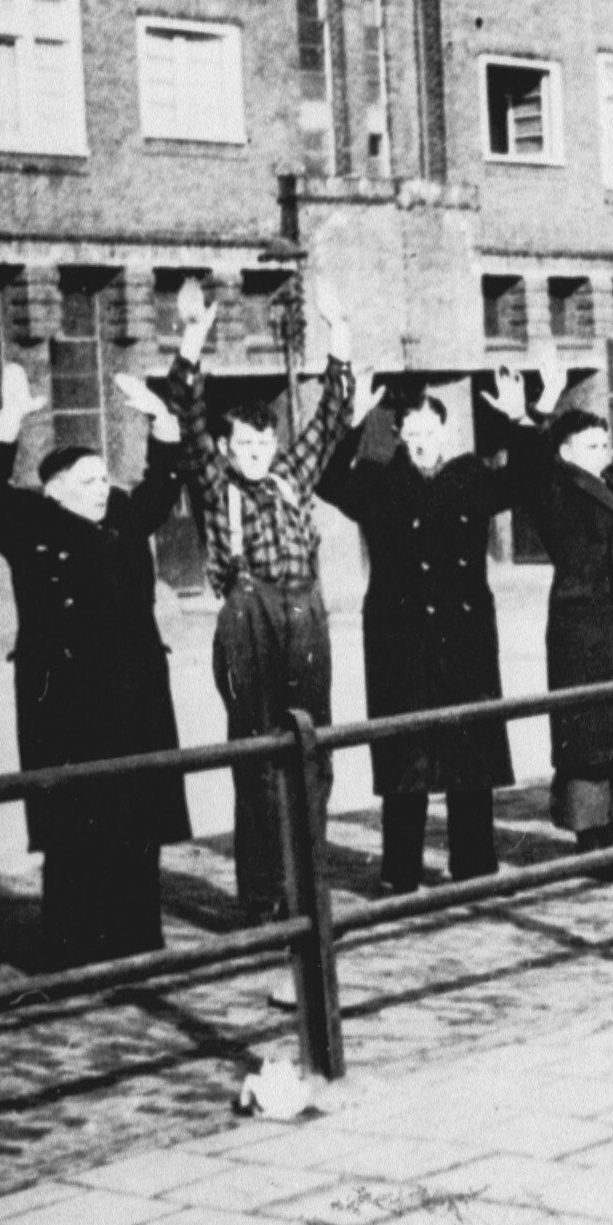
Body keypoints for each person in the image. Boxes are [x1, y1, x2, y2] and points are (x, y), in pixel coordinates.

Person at [0, 362, 192, 967]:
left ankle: (139, 945)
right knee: (75, 832)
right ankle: (73, 949)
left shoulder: (122, 519)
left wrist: (161, 418)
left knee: (137, 825)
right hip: (64, 703)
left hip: (133, 697)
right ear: (56, 487)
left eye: (104, 479)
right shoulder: (28, 525)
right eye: (89, 480)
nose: (102, 488)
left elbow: (164, 483)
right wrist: (7, 424)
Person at [164, 275, 354, 921]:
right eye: (242, 444)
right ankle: (265, 892)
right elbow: (188, 422)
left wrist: (339, 334)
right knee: (258, 759)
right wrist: (192, 346)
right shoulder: (218, 487)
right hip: (248, 620)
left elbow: (331, 418)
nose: (254, 453)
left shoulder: (292, 476)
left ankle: (307, 886)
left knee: (310, 752)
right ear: (225, 449)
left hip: (307, 618)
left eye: (262, 442)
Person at [318, 370, 521, 895]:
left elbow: (531, 476)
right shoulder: (379, 482)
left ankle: (474, 866)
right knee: (404, 762)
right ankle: (400, 873)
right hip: (399, 643)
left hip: (465, 640)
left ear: (447, 436)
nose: (422, 443)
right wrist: (352, 422)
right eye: (412, 435)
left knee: (469, 755)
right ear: (400, 439)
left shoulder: (470, 477)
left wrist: (520, 419)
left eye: (430, 433)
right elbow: (327, 480)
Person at [498, 330, 613, 851]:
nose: (602, 452)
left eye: (604, 445)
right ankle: (592, 837)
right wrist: (542, 404)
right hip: (584, 630)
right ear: (567, 451)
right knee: (591, 737)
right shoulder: (552, 489)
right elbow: (528, 467)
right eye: (590, 446)